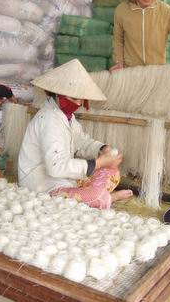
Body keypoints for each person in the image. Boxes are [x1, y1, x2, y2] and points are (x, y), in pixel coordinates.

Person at [18, 59, 133, 209]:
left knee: (112, 171)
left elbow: (81, 141)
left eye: (81, 99)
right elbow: (56, 167)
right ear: (59, 94)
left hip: (62, 178)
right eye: (74, 98)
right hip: (41, 184)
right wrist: (99, 163)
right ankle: (106, 198)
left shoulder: (66, 116)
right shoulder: (49, 119)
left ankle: (92, 196)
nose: (78, 103)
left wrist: (102, 149)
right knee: (96, 194)